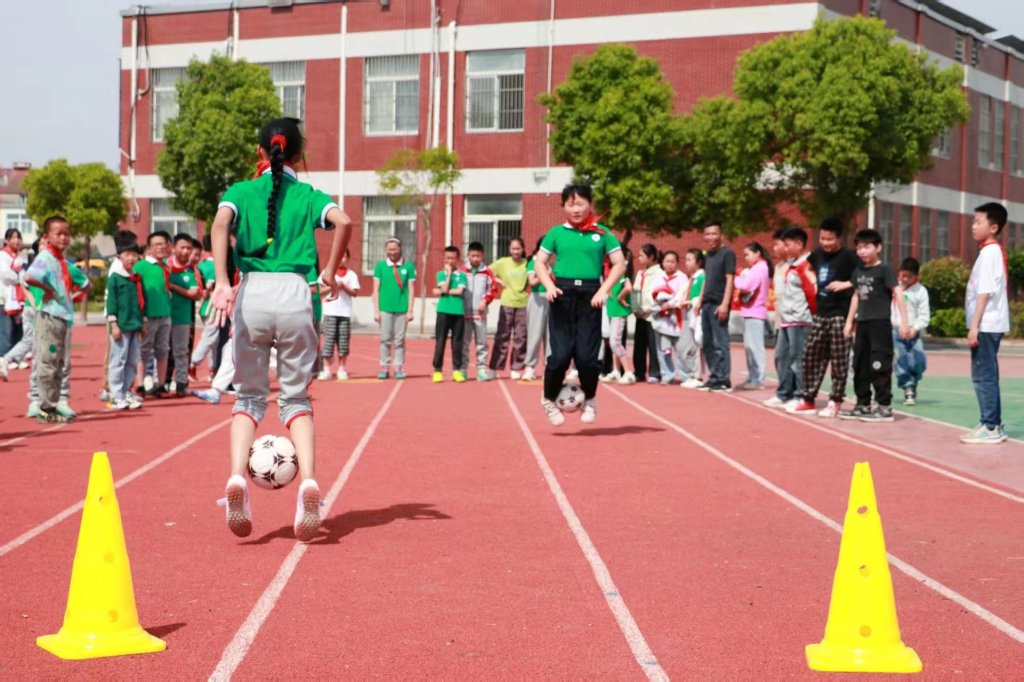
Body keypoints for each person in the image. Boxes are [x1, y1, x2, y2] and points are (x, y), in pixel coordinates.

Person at [209, 117, 352, 541]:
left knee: (249, 397)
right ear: (298, 154)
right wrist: (328, 273)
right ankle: (308, 482)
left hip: (253, 292)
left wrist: (222, 281)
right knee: (295, 398)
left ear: (260, 151)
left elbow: (219, 224)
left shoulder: (240, 191)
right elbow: (344, 222)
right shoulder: (308, 195)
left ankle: (237, 476)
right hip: (295, 292)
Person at [533, 183, 627, 426]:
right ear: (564, 206)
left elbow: (620, 264)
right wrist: (550, 286)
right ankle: (548, 399)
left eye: (580, 203)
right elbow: (539, 263)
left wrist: (603, 290)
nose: (575, 209)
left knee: (586, 358)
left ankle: (591, 399)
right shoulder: (556, 233)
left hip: (590, 296)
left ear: (589, 205)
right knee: (560, 356)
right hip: (562, 295)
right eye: (570, 204)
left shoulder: (603, 233)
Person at [840, 228, 909, 423]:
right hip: (862, 324)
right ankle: (862, 404)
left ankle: (884, 406)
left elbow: (898, 293)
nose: (862, 251)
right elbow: (856, 296)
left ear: (878, 248)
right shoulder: (859, 270)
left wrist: (904, 322)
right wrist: (849, 322)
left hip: (880, 324)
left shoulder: (885, 270)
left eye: (866, 247)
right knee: (860, 364)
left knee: (879, 364)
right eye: (859, 248)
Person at [793, 217, 859, 417]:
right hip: (821, 314)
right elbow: (807, 268)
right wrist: (814, 282)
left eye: (830, 239)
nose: (825, 243)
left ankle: (834, 401)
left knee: (839, 360)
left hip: (840, 314)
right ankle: (808, 398)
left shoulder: (849, 257)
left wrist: (846, 284)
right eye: (822, 238)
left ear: (840, 238)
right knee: (810, 355)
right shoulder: (817, 254)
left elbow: (862, 276)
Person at [961, 202, 1011, 444]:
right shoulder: (989, 252)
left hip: (986, 324)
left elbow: (985, 292)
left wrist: (974, 326)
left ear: (993, 227)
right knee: (984, 374)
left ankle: (991, 426)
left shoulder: (990, 253)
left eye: (977, 222)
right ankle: (990, 423)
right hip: (987, 324)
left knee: (984, 376)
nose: (973, 226)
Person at [23, 217, 76, 423]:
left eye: (66, 234)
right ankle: (45, 408)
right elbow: (29, 277)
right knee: (48, 362)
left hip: (61, 315)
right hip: (49, 317)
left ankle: (52, 405)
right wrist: (48, 289)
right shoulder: (45, 257)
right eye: (58, 234)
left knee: (58, 362)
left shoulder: (59, 259)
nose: (63, 237)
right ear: (47, 237)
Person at [764, 227, 815, 410]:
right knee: (781, 356)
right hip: (786, 319)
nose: (784, 248)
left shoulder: (806, 265)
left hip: (800, 319)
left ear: (799, 244)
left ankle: (801, 395)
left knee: (798, 359)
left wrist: (811, 314)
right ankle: (784, 393)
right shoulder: (790, 266)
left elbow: (812, 293)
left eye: (787, 244)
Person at [105, 233, 145, 410]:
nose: (131, 258)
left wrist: (142, 322)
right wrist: (114, 324)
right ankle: (115, 394)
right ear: (119, 257)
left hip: (135, 325)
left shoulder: (136, 278)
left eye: (134, 255)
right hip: (121, 326)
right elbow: (111, 303)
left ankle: (126, 390)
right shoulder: (115, 278)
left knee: (132, 360)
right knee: (118, 360)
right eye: (127, 254)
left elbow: (141, 301)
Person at [698, 221, 736, 391]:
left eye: (714, 234)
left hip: (718, 304)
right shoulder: (708, 255)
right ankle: (714, 376)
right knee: (708, 343)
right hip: (706, 304)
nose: (710, 237)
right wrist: (700, 300)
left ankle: (723, 379)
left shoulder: (728, 254)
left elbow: (730, 279)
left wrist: (725, 304)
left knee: (720, 343)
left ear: (721, 235)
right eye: (707, 234)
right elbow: (706, 278)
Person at [134, 231, 173, 397]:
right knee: (143, 350)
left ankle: (161, 384)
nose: (161, 247)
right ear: (149, 248)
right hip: (148, 315)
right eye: (157, 244)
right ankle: (140, 385)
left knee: (163, 350)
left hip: (165, 314)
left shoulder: (165, 266)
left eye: (163, 244)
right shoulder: (140, 266)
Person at [372, 237, 415, 380]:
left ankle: (399, 367)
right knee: (385, 339)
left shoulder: (408, 266)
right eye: (389, 249)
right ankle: (384, 367)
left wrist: (410, 310)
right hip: (385, 308)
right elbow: (375, 289)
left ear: (400, 249)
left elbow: (411, 289)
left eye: (395, 249)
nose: (392, 252)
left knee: (399, 340)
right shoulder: (380, 266)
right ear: (386, 250)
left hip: (402, 308)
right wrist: (376, 310)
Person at [487, 238, 529, 379]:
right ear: (509, 250)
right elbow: (486, 271)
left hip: (523, 303)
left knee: (520, 337)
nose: (516, 251)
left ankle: (516, 367)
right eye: (513, 249)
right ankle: (494, 367)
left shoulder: (527, 263)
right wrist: (498, 281)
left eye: (518, 249)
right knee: (502, 335)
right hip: (507, 303)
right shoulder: (503, 262)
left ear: (523, 249)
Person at [892, 257, 930, 406]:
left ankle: (914, 378)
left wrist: (915, 328)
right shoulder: (894, 287)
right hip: (896, 331)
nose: (905, 279)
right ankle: (908, 387)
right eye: (903, 275)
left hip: (914, 332)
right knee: (901, 359)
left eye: (909, 276)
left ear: (916, 276)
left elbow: (924, 315)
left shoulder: (921, 291)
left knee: (918, 361)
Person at [733, 242, 772, 390]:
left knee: (755, 347)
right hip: (751, 311)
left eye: (747, 254)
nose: (746, 258)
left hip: (756, 312)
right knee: (750, 347)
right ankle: (752, 376)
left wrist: (735, 278)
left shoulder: (760, 268)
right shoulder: (757, 268)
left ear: (757, 253)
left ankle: (758, 379)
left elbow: (746, 286)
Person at [167, 233, 201, 396]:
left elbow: (196, 294)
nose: (186, 251)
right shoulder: (165, 266)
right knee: (161, 351)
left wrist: (173, 287)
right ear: (174, 248)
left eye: (189, 248)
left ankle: (181, 383)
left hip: (182, 317)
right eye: (182, 247)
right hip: (162, 315)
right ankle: (162, 381)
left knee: (181, 351)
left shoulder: (192, 270)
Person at [649, 251, 689, 385]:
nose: (669, 264)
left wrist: (670, 304)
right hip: (660, 316)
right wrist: (660, 304)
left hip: (677, 317)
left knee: (680, 348)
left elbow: (682, 294)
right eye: (667, 261)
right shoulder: (658, 276)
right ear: (662, 262)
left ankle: (686, 375)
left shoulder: (682, 277)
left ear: (677, 263)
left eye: (672, 261)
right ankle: (667, 374)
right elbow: (652, 292)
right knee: (662, 348)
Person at [460, 241, 498, 382]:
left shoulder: (487, 271)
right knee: (464, 342)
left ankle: (481, 369)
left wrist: (485, 300)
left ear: (483, 256)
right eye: (473, 256)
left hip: (480, 314)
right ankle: (463, 369)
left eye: (478, 256)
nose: (475, 259)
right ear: (468, 255)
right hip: (464, 314)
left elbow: (493, 289)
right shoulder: (462, 270)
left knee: (481, 342)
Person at [319, 249, 359, 381]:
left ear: (348, 259)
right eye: (339, 256)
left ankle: (342, 368)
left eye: (344, 257)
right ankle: (326, 369)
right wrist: (333, 286)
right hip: (330, 312)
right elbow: (319, 291)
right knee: (328, 341)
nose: (342, 259)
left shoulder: (351, 275)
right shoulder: (327, 273)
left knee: (343, 342)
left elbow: (355, 293)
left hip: (344, 313)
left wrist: (344, 287)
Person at [432, 245, 468, 382]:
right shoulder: (440, 274)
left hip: (458, 311)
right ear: (444, 259)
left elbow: (459, 291)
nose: (450, 261)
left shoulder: (462, 275)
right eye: (447, 258)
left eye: (453, 258)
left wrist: (442, 291)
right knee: (440, 341)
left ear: (457, 259)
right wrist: (448, 276)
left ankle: (456, 370)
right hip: (443, 311)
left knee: (457, 342)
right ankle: (437, 370)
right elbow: (445, 287)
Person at [632, 243, 663, 385]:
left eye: (642, 256)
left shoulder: (659, 273)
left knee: (653, 344)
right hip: (640, 314)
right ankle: (639, 372)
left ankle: (655, 372)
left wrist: (647, 309)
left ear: (651, 257)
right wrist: (635, 308)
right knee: (639, 344)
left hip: (651, 314)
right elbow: (635, 291)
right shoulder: (640, 273)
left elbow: (655, 294)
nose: (639, 258)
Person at [190, 235, 219, 380]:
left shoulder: (201, 266)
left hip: (205, 307)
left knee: (215, 340)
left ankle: (213, 369)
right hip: (213, 307)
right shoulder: (216, 265)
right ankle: (193, 363)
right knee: (210, 337)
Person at [603, 262, 636, 384]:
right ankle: (616, 371)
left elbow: (628, 288)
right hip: (612, 312)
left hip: (619, 313)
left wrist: (620, 298)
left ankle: (628, 372)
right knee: (613, 343)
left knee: (615, 342)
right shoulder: (614, 277)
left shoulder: (623, 277)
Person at [523, 238, 550, 382]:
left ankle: (549, 367)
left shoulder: (551, 264)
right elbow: (532, 282)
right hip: (537, 298)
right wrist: (545, 274)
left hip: (551, 299)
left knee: (551, 337)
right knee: (535, 334)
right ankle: (530, 367)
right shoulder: (533, 263)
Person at [679, 248, 705, 389]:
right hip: (688, 313)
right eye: (686, 260)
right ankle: (693, 374)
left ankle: (698, 375)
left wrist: (690, 302)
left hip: (696, 314)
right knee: (686, 346)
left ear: (699, 262)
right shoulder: (692, 279)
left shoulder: (702, 278)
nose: (687, 263)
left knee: (696, 345)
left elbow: (701, 297)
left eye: (690, 260)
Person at [0, 228, 26, 365]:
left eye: (18, 237)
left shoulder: (21, 257)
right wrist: (19, 279)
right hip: (5, 298)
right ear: (7, 240)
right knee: (6, 329)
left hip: (20, 298)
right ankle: (4, 357)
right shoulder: (2, 256)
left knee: (18, 329)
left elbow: (25, 274)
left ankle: (15, 357)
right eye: (13, 238)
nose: (16, 241)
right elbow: (5, 274)